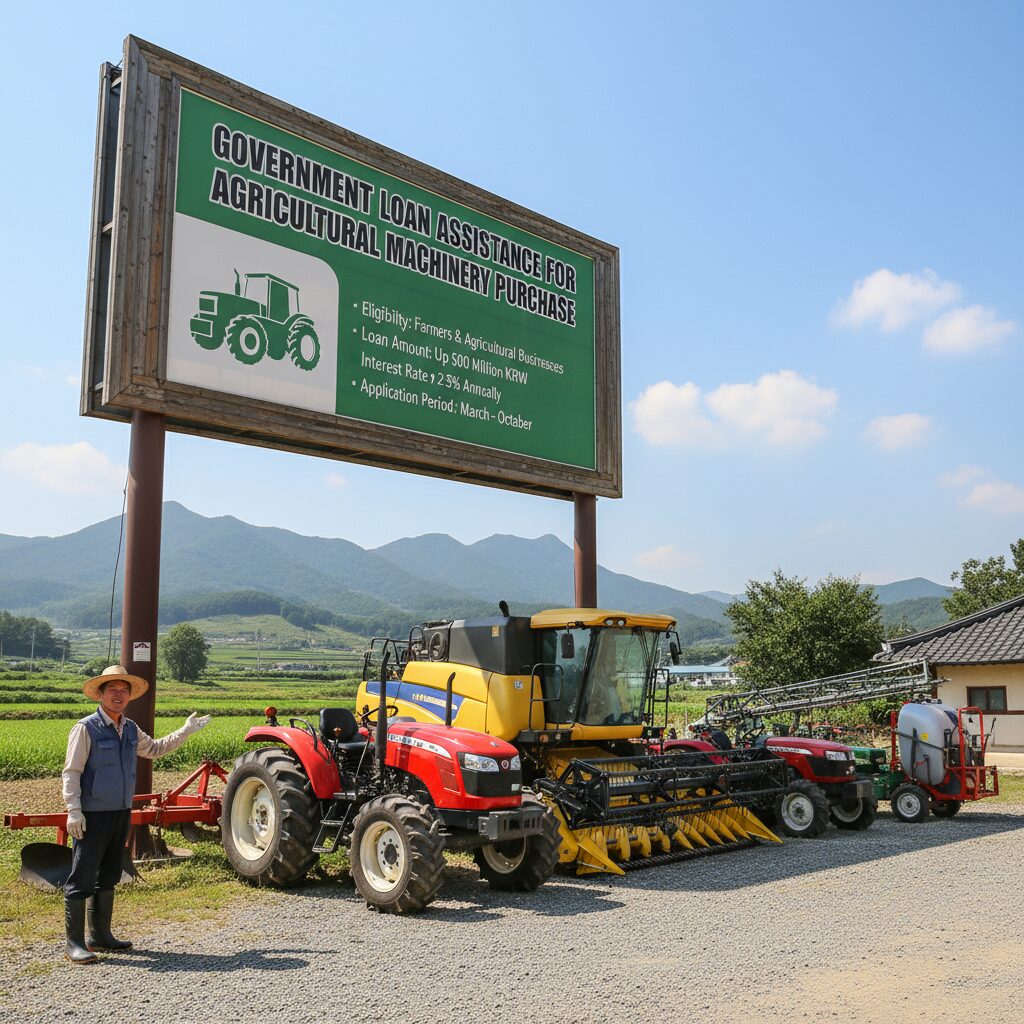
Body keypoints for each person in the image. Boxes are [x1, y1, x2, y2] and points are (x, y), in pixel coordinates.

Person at [61, 664, 212, 964]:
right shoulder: (85, 728)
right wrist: (73, 811)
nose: (118, 696)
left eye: (123, 691)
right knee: (82, 875)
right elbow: (71, 772)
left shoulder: (129, 728)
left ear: (129, 696)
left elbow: (155, 749)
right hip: (91, 814)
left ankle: (100, 935)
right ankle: (73, 943)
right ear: (100, 694)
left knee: (109, 875)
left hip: (120, 812)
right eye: (112, 690)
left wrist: (186, 731)